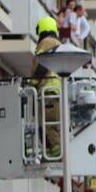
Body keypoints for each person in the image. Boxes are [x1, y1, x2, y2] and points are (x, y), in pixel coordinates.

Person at [31, 16, 62, 157]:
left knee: (48, 125)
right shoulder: (57, 43)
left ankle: (56, 151)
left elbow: (43, 64)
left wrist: (33, 82)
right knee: (51, 125)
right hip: (54, 89)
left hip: (48, 89)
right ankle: (52, 152)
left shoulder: (47, 42)